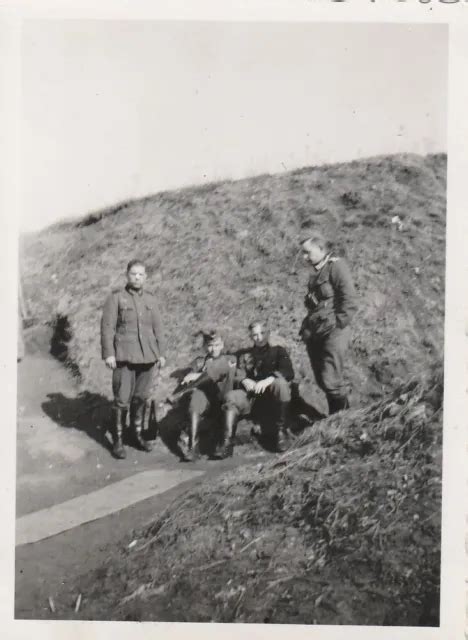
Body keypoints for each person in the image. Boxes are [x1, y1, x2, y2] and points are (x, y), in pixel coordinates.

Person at [101, 259, 166, 459]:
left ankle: (136, 434)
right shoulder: (116, 298)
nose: (137, 278)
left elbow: (159, 328)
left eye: (141, 274)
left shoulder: (151, 299)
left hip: (147, 356)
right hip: (124, 357)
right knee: (122, 400)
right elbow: (107, 328)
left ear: (145, 277)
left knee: (141, 397)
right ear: (127, 275)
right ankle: (118, 440)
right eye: (133, 274)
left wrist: (161, 353)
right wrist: (109, 353)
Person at [300, 233, 357, 414]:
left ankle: (344, 419)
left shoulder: (336, 267)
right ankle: (336, 417)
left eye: (307, 252)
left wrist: (338, 325)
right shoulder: (316, 273)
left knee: (331, 379)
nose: (304, 257)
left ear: (321, 249)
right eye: (303, 253)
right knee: (321, 379)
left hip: (334, 331)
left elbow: (349, 299)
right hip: (317, 331)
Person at [221, 321, 295, 457]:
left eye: (262, 333)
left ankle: (281, 432)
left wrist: (268, 380)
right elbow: (235, 371)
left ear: (268, 333)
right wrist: (244, 379)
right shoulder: (244, 355)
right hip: (252, 398)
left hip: (272, 398)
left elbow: (288, 371)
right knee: (231, 396)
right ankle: (227, 442)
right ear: (250, 337)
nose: (259, 338)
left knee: (281, 384)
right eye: (255, 335)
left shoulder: (278, 351)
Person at [179, 330, 237, 461]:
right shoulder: (200, 362)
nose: (213, 349)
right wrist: (189, 376)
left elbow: (216, 371)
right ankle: (193, 447)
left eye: (216, 345)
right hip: (207, 403)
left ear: (222, 345)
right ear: (205, 346)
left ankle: (225, 446)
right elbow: (188, 377)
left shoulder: (230, 359)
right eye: (210, 345)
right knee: (196, 397)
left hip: (225, 402)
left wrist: (198, 376)